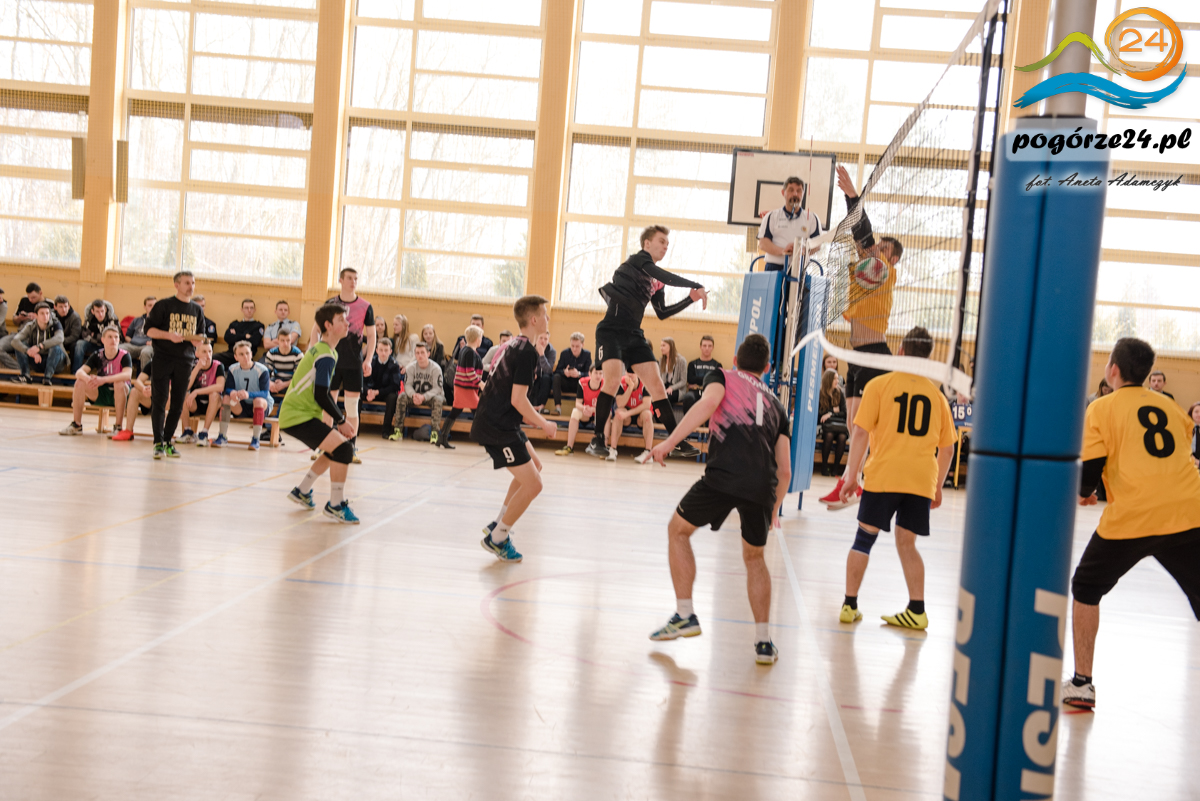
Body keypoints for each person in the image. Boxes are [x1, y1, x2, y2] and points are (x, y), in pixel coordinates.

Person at [1062, 338, 1200, 710]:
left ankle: (1082, 685)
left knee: (1086, 587)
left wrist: (1085, 492)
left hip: (1135, 515)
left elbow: (1087, 478)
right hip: (1190, 509)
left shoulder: (1100, 407)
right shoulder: (1171, 407)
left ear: (1113, 370)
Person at [645, 333, 791, 665]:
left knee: (678, 531)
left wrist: (669, 442)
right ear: (768, 368)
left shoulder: (722, 376)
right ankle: (763, 642)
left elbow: (708, 404)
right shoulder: (777, 406)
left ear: (735, 361)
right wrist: (774, 510)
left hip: (725, 474)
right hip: (762, 485)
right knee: (755, 559)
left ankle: (685, 614)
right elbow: (785, 470)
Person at [835, 326, 956, 630]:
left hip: (884, 475)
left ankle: (850, 605)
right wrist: (937, 486)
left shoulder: (879, 385)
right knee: (907, 544)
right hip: (920, 481)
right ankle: (917, 610)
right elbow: (948, 449)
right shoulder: (937, 395)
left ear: (900, 350)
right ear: (928, 357)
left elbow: (860, 433)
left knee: (864, 539)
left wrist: (851, 475)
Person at [820, 164, 904, 509]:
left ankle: (856, 482)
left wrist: (853, 197)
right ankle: (851, 482)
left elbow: (864, 236)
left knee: (864, 426)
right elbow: (862, 241)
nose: (873, 250)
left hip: (874, 354)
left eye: (882, 248)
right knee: (857, 426)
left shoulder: (884, 271)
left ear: (892, 257)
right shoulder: (868, 272)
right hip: (857, 357)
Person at [588, 225, 708, 460]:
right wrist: (695, 284)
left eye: (667, 244)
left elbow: (662, 312)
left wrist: (690, 299)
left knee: (657, 387)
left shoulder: (656, 281)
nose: (665, 246)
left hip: (634, 335)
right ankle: (597, 439)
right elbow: (666, 276)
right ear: (647, 244)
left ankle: (676, 442)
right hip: (611, 331)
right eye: (662, 241)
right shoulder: (638, 260)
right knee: (612, 380)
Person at [471, 295, 557, 562]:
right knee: (535, 485)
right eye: (544, 314)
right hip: (497, 426)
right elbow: (518, 399)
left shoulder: (513, 344)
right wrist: (543, 423)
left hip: (504, 421)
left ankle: (498, 523)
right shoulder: (526, 352)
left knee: (535, 467)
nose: (548, 318)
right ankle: (498, 538)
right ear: (534, 319)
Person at [280, 303, 360, 524]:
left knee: (337, 447)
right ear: (328, 325)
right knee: (344, 449)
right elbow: (321, 395)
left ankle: (303, 491)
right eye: (342, 320)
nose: (347, 324)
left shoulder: (326, 350)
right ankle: (336, 504)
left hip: (299, 414)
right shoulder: (325, 355)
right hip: (298, 416)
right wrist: (341, 420)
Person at [308, 269, 375, 461]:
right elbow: (315, 330)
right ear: (341, 280)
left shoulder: (365, 306)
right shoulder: (330, 304)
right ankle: (324, 446)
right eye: (349, 278)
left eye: (356, 279)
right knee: (328, 405)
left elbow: (371, 335)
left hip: (353, 363)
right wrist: (315, 354)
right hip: (330, 362)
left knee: (352, 407)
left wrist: (368, 359)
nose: (353, 282)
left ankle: (350, 448)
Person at [146, 271, 207, 459]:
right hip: (163, 358)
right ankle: (158, 443)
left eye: (193, 283)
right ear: (177, 285)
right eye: (187, 283)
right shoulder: (164, 305)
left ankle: (167, 441)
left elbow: (201, 334)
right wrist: (168, 336)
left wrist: (198, 341)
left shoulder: (197, 310)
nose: (191, 286)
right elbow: (149, 330)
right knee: (160, 400)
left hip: (185, 361)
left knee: (178, 403)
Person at [60, 325, 131, 437]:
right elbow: (79, 372)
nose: (113, 340)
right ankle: (77, 425)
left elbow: (127, 375)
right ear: (103, 340)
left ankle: (118, 427)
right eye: (110, 337)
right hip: (102, 393)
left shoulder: (125, 355)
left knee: (119, 383)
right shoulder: (98, 355)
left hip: (121, 393)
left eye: (116, 337)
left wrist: (103, 379)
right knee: (80, 382)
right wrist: (88, 379)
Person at [757, 176, 823, 271]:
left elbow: (817, 244)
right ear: (783, 192)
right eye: (791, 190)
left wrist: (803, 251)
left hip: (799, 269)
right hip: (774, 268)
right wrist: (783, 251)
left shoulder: (812, 218)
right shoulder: (771, 216)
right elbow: (763, 244)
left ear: (803, 194)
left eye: (799, 191)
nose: (795, 194)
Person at [220, 341, 274, 450]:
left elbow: (265, 393)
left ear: (251, 354)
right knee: (226, 398)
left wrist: (248, 394)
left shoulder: (262, 370)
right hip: (242, 405)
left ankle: (256, 439)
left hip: (261, 405)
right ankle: (222, 436)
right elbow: (228, 389)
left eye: (247, 353)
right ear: (235, 357)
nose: (245, 356)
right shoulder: (232, 369)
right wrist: (232, 392)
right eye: (241, 354)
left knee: (258, 400)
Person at [437, 325, 484, 449]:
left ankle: (442, 437)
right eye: (481, 337)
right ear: (477, 339)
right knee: (479, 413)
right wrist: (480, 383)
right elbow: (470, 372)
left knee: (456, 411)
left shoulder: (466, 350)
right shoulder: (470, 352)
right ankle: (485, 439)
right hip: (466, 389)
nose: (481, 340)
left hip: (462, 387)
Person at [394, 341, 444, 443]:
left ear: (428, 354)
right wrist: (413, 395)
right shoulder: (411, 367)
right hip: (415, 396)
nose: (420, 355)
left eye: (422, 352)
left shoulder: (436, 368)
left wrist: (423, 397)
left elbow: (437, 388)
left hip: (431, 397)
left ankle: (434, 433)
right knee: (402, 396)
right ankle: (398, 431)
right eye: (417, 353)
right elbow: (407, 385)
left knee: (438, 400)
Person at [177, 341, 225, 446]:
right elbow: (186, 386)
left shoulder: (218, 366)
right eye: (204, 352)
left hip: (213, 403)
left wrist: (196, 391)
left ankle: (204, 433)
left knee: (214, 394)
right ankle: (188, 431)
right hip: (196, 404)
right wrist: (197, 368)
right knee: (183, 394)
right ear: (197, 354)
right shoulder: (192, 365)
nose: (208, 355)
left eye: (210, 351)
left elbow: (220, 386)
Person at [10, 301, 66, 384]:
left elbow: (60, 338)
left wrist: (40, 346)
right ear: (36, 315)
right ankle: (25, 376)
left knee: (56, 347)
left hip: (55, 362)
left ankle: (47, 377)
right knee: (20, 346)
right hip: (38, 360)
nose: (45, 316)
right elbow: (14, 341)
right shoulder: (30, 326)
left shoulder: (56, 323)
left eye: (47, 313)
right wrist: (29, 351)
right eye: (42, 314)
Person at [608, 369, 655, 464]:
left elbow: (646, 405)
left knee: (647, 414)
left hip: (640, 414)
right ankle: (612, 450)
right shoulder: (620, 383)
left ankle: (648, 453)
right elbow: (620, 403)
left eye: (633, 372)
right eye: (629, 372)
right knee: (618, 413)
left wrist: (628, 413)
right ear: (625, 372)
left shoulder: (646, 382)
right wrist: (630, 388)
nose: (630, 375)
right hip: (626, 414)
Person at [555, 366, 604, 456]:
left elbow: (606, 406)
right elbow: (577, 403)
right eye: (596, 373)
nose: (598, 376)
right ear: (590, 374)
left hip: (599, 412)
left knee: (607, 414)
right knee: (575, 412)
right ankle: (569, 447)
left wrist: (593, 409)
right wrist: (584, 408)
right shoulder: (582, 382)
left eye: (600, 373)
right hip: (586, 412)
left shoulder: (605, 384)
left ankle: (603, 447)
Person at [365, 336, 402, 440]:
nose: (383, 353)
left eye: (386, 350)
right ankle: (356, 428)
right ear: (376, 350)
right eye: (381, 350)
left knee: (393, 397)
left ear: (390, 352)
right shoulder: (370, 362)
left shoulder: (394, 365)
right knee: (357, 394)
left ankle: (386, 431)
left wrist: (378, 392)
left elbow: (395, 386)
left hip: (384, 392)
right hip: (370, 392)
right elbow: (362, 381)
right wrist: (368, 391)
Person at [547, 332, 591, 416]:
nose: (574, 349)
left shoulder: (587, 354)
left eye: (577, 346)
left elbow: (588, 374)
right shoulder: (564, 353)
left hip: (578, 385)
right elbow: (557, 371)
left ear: (582, 345)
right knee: (556, 377)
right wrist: (564, 372)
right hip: (566, 383)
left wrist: (579, 374)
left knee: (586, 381)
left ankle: (583, 410)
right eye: (572, 346)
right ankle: (558, 408)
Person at [113, 349, 153, 442]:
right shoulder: (154, 363)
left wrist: (157, 390)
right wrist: (143, 388)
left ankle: (184, 432)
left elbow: (182, 387)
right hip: (155, 397)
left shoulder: (177, 362)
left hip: (170, 398)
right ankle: (128, 431)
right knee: (135, 391)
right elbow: (138, 381)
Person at [74, 299, 121, 372]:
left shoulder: (113, 319)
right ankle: (76, 372)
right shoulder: (89, 319)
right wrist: (101, 337)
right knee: (80, 343)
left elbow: (113, 337)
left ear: (105, 310)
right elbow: (84, 335)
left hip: (107, 346)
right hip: (93, 344)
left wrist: (94, 335)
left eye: (102, 311)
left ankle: (110, 373)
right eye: (97, 311)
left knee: (114, 345)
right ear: (92, 311)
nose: (100, 314)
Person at [681, 335, 722, 413]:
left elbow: (717, 381)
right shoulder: (692, 364)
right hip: (695, 392)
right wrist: (710, 379)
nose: (707, 348)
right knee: (687, 398)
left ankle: (708, 422)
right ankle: (690, 421)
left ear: (713, 348)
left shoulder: (717, 365)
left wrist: (697, 381)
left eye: (709, 346)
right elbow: (690, 379)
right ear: (700, 347)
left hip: (710, 392)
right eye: (704, 346)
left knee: (714, 402)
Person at [818, 368, 848, 477]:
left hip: (839, 425)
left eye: (837, 378)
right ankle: (824, 466)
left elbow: (844, 413)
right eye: (835, 379)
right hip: (827, 427)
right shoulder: (820, 393)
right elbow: (820, 414)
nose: (837, 381)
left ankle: (836, 468)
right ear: (828, 380)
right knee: (829, 435)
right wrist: (834, 411)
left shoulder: (840, 392)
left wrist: (830, 413)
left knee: (842, 437)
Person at [219, 299, 265, 367]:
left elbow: (255, 342)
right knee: (214, 359)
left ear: (254, 310)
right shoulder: (234, 324)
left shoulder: (259, 326)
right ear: (242, 310)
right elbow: (227, 338)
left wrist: (236, 336)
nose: (249, 310)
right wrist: (245, 336)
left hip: (246, 356)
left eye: (251, 308)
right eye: (246, 308)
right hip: (231, 354)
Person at [264, 330, 303, 402]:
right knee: (262, 388)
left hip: (291, 381)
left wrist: (284, 385)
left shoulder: (298, 354)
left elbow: (299, 377)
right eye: (282, 340)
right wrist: (270, 383)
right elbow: (266, 373)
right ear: (278, 340)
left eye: (288, 340)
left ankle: (282, 405)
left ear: (291, 340)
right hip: (276, 380)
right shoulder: (271, 353)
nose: (285, 343)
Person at [123, 296, 156, 367]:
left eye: (154, 305)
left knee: (145, 353)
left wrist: (154, 342)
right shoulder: (136, 320)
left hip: (148, 346)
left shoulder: (160, 322)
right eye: (150, 305)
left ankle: (144, 374)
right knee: (117, 349)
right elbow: (127, 336)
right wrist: (133, 341)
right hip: (133, 345)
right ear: (145, 307)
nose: (152, 308)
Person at [529, 331, 556, 412]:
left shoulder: (552, 351)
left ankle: (541, 406)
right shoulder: (530, 349)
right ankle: (529, 406)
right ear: (536, 339)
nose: (543, 341)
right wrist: (532, 373)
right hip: (533, 374)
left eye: (545, 339)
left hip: (544, 376)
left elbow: (548, 370)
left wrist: (541, 354)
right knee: (530, 378)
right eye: (541, 338)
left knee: (546, 378)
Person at [53, 295, 83, 361]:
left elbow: (75, 336)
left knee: (74, 346)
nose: (63, 309)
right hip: (55, 340)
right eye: (60, 307)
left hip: (69, 341)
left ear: (69, 306)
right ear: (55, 307)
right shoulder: (51, 316)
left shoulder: (75, 317)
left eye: (65, 306)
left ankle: (73, 367)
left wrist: (60, 341)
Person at [659, 337, 686, 404]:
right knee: (655, 397)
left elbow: (683, 381)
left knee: (667, 398)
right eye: (661, 346)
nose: (661, 348)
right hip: (664, 386)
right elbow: (660, 378)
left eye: (663, 345)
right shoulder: (661, 360)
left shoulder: (681, 361)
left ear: (671, 346)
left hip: (677, 388)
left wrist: (672, 388)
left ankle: (666, 411)